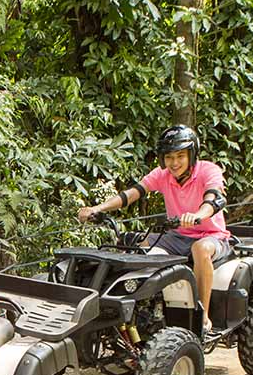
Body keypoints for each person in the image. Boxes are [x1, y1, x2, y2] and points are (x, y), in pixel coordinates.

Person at [77, 124, 232, 333]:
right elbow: (133, 193)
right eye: (169, 157)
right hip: (176, 236)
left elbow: (213, 198)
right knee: (140, 246)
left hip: (212, 236)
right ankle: (144, 311)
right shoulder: (163, 174)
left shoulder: (208, 170)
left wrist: (197, 215)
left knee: (200, 249)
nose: (174, 163)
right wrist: (98, 208)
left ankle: (201, 315)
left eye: (180, 156)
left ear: (192, 155)